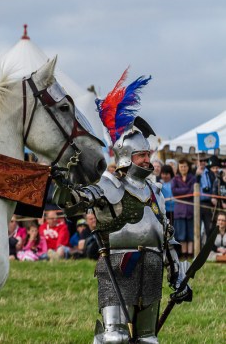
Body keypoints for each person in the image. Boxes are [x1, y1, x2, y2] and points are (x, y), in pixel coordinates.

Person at [53, 73, 191, 343]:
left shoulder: (156, 192)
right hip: (118, 269)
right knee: (114, 338)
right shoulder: (108, 186)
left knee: (148, 339)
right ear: (127, 157)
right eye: (142, 155)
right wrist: (64, 183)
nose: (147, 159)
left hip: (151, 271)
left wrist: (178, 278)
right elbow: (74, 202)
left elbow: (167, 237)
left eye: (148, 154)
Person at [171, 159, 195, 258]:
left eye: (185, 166)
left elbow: (192, 191)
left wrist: (181, 192)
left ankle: (190, 253)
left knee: (190, 233)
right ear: (178, 168)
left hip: (190, 210)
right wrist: (186, 191)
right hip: (180, 210)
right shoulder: (175, 179)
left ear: (188, 167)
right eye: (181, 167)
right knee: (181, 234)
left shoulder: (193, 178)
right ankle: (184, 254)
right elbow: (174, 192)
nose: (183, 168)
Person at [198, 155, 220, 237]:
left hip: (212, 204)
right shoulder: (200, 172)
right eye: (213, 168)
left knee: (210, 227)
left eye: (217, 168)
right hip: (200, 203)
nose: (215, 170)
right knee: (199, 228)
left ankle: (210, 246)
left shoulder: (216, 175)